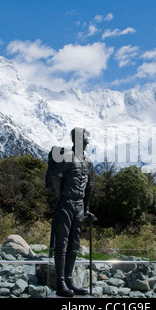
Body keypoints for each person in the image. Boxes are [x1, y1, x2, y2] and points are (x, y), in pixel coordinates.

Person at [49, 127, 96, 297]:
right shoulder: (67, 158)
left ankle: (69, 280)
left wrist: (87, 208)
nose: (87, 141)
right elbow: (55, 177)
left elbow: (90, 186)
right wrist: (59, 197)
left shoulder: (88, 162)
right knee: (61, 243)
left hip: (79, 206)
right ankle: (60, 282)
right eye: (84, 138)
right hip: (66, 202)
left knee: (74, 243)